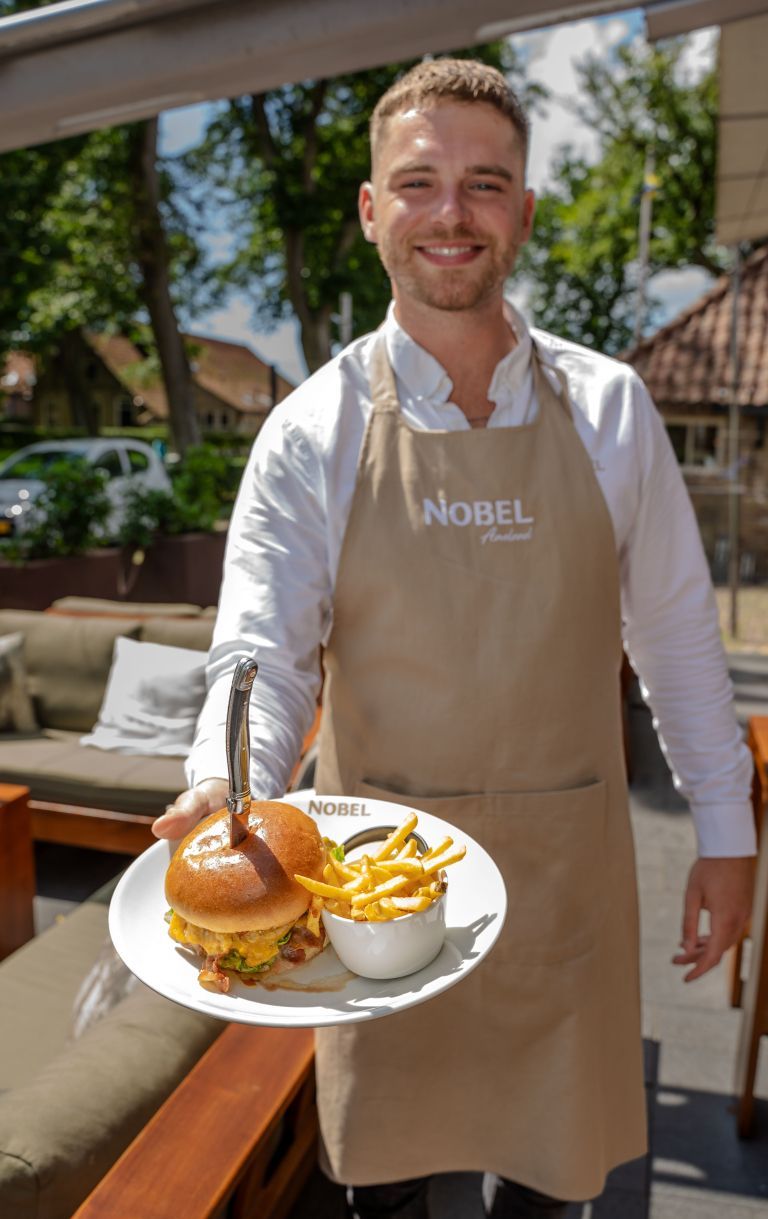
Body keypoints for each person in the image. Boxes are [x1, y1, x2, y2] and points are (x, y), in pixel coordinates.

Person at [153, 59, 756, 1219]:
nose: (452, 211)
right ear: (373, 210)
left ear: (524, 211)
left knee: (549, 1189)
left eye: (486, 183)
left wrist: (725, 835)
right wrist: (226, 791)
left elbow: (678, 638)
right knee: (385, 1186)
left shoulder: (613, 408)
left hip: (564, 881)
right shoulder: (310, 427)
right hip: (373, 889)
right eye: (418, 181)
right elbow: (264, 653)